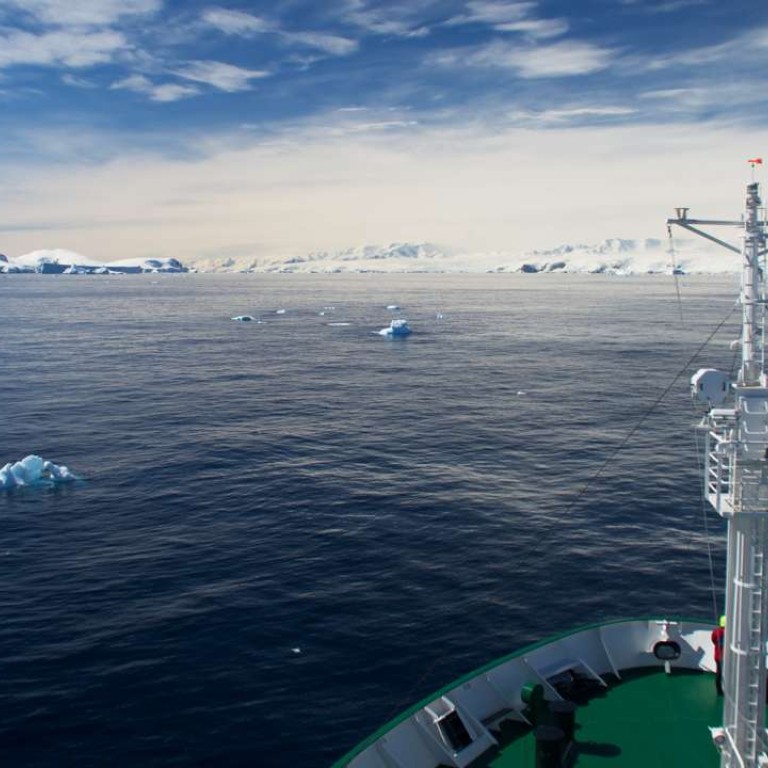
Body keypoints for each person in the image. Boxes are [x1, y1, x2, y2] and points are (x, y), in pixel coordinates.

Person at [712, 615, 725, 695]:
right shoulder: (730, 632)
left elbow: (713, 640)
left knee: (719, 673)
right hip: (727, 657)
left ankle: (719, 690)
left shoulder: (716, 631)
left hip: (718, 656)